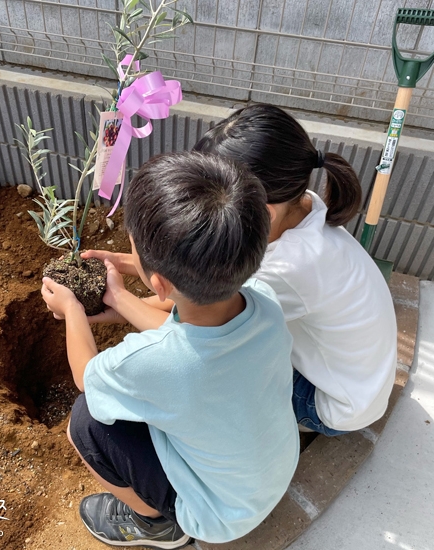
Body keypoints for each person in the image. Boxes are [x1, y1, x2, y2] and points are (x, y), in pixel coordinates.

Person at [42, 151, 299, 548]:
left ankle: (155, 523)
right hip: (270, 475)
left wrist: (72, 310)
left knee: (85, 423)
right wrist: (122, 299)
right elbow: (189, 329)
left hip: (216, 515)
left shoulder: (153, 363)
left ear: (158, 284)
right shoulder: (264, 301)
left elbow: (85, 378)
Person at [192, 103, 397, 436]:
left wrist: (131, 296)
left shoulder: (289, 266)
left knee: (217, 366)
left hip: (334, 405)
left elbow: (205, 321)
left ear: (265, 213)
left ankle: (285, 428)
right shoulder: (304, 204)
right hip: (365, 385)